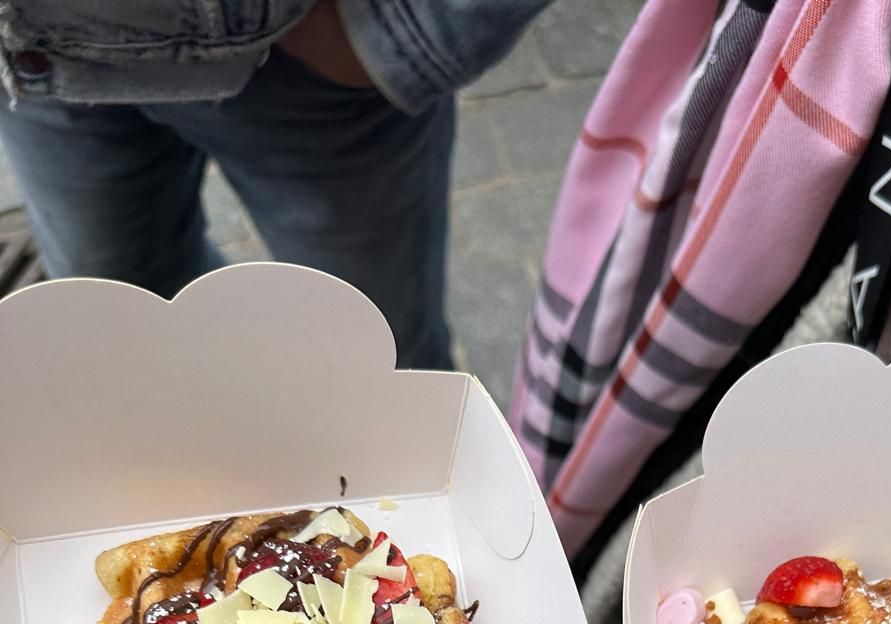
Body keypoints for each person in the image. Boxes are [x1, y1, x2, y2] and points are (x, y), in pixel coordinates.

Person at [0, 0, 553, 367]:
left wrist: (408, 30)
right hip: (29, 54)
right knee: (120, 315)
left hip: (303, 60)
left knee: (378, 352)